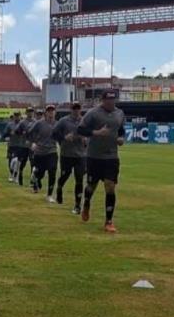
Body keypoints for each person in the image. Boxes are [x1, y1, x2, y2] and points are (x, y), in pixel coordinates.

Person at [76, 90, 126, 233]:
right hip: (94, 156)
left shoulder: (120, 113)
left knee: (110, 186)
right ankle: (86, 204)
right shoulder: (93, 113)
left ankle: (108, 221)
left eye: (113, 100)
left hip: (111, 157)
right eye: (108, 100)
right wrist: (96, 133)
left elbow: (121, 130)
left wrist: (121, 138)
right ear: (102, 100)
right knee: (91, 186)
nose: (111, 102)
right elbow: (80, 130)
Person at [53, 103, 88, 214]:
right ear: (71, 109)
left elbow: (91, 135)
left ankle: (77, 205)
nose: (76, 110)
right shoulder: (64, 121)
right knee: (65, 175)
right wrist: (64, 138)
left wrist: (86, 140)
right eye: (74, 108)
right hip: (66, 155)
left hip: (81, 155)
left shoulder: (85, 121)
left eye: (78, 108)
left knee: (79, 179)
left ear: (81, 109)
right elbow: (54, 134)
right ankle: (59, 187)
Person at [27, 105, 59, 202]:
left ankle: (49, 195)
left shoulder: (57, 124)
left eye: (52, 111)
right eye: (49, 111)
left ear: (55, 112)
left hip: (52, 151)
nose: (51, 113)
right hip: (40, 152)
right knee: (40, 173)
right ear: (46, 113)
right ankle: (35, 176)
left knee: (52, 172)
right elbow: (29, 133)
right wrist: (32, 143)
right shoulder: (39, 123)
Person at [15, 107, 37, 187]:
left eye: (31, 112)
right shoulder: (22, 122)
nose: (30, 113)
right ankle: (20, 175)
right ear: (26, 113)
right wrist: (22, 132)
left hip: (32, 146)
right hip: (23, 145)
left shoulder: (36, 122)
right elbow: (17, 131)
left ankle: (32, 180)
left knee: (33, 163)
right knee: (23, 162)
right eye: (29, 112)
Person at [3, 112, 23, 183]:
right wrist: (7, 136)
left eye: (18, 116)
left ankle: (15, 176)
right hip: (11, 145)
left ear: (20, 116)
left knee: (18, 161)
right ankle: (11, 173)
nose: (17, 117)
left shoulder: (22, 124)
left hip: (20, 145)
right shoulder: (9, 124)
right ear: (14, 117)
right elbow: (4, 134)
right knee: (11, 161)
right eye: (15, 116)